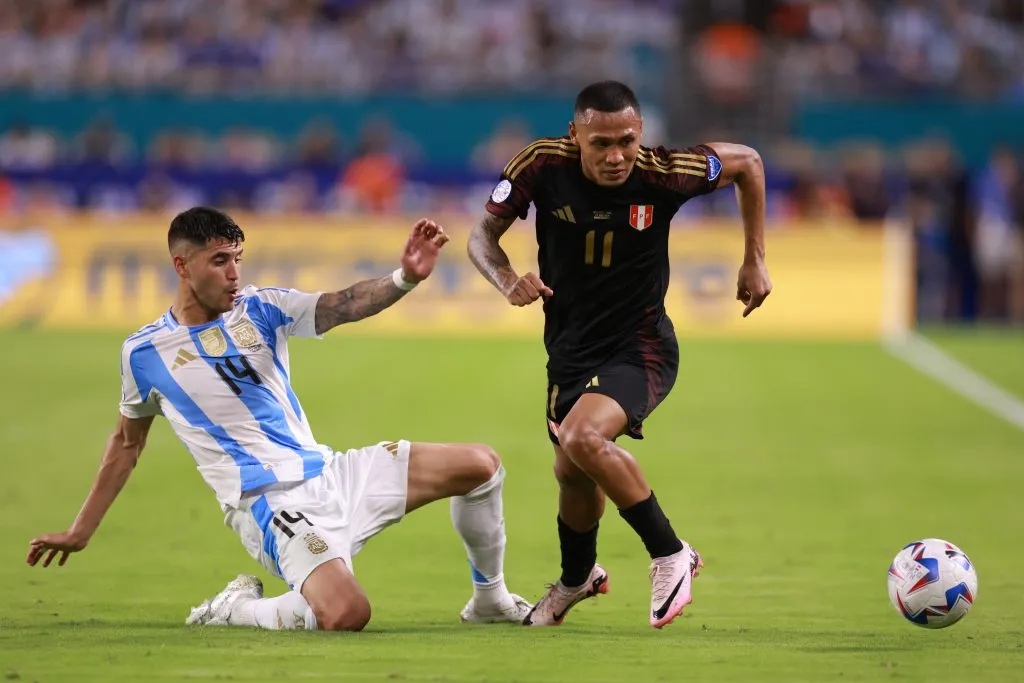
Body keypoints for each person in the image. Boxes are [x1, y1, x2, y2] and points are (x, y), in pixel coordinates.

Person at [26, 206, 531, 631]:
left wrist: (405, 279)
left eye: (237, 259)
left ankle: (491, 599)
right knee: (347, 614)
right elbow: (127, 443)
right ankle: (236, 609)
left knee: (481, 466)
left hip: (333, 473)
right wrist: (81, 530)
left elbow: (344, 305)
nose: (233, 273)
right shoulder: (144, 353)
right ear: (181, 265)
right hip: (271, 505)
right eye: (219, 261)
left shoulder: (261, 309)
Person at [467, 81, 772, 629]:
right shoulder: (540, 164)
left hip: (642, 347)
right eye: (601, 143)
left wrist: (754, 260)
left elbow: (748, 162)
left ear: (641, 136)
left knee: (585, 438)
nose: (616, 156)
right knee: (572, 470)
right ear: (574, 135)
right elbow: (480, 239)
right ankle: (577, 578)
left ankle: (670, 552)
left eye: (627, 141)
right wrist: (507, 278)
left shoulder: (665, 171)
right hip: (569, 352)